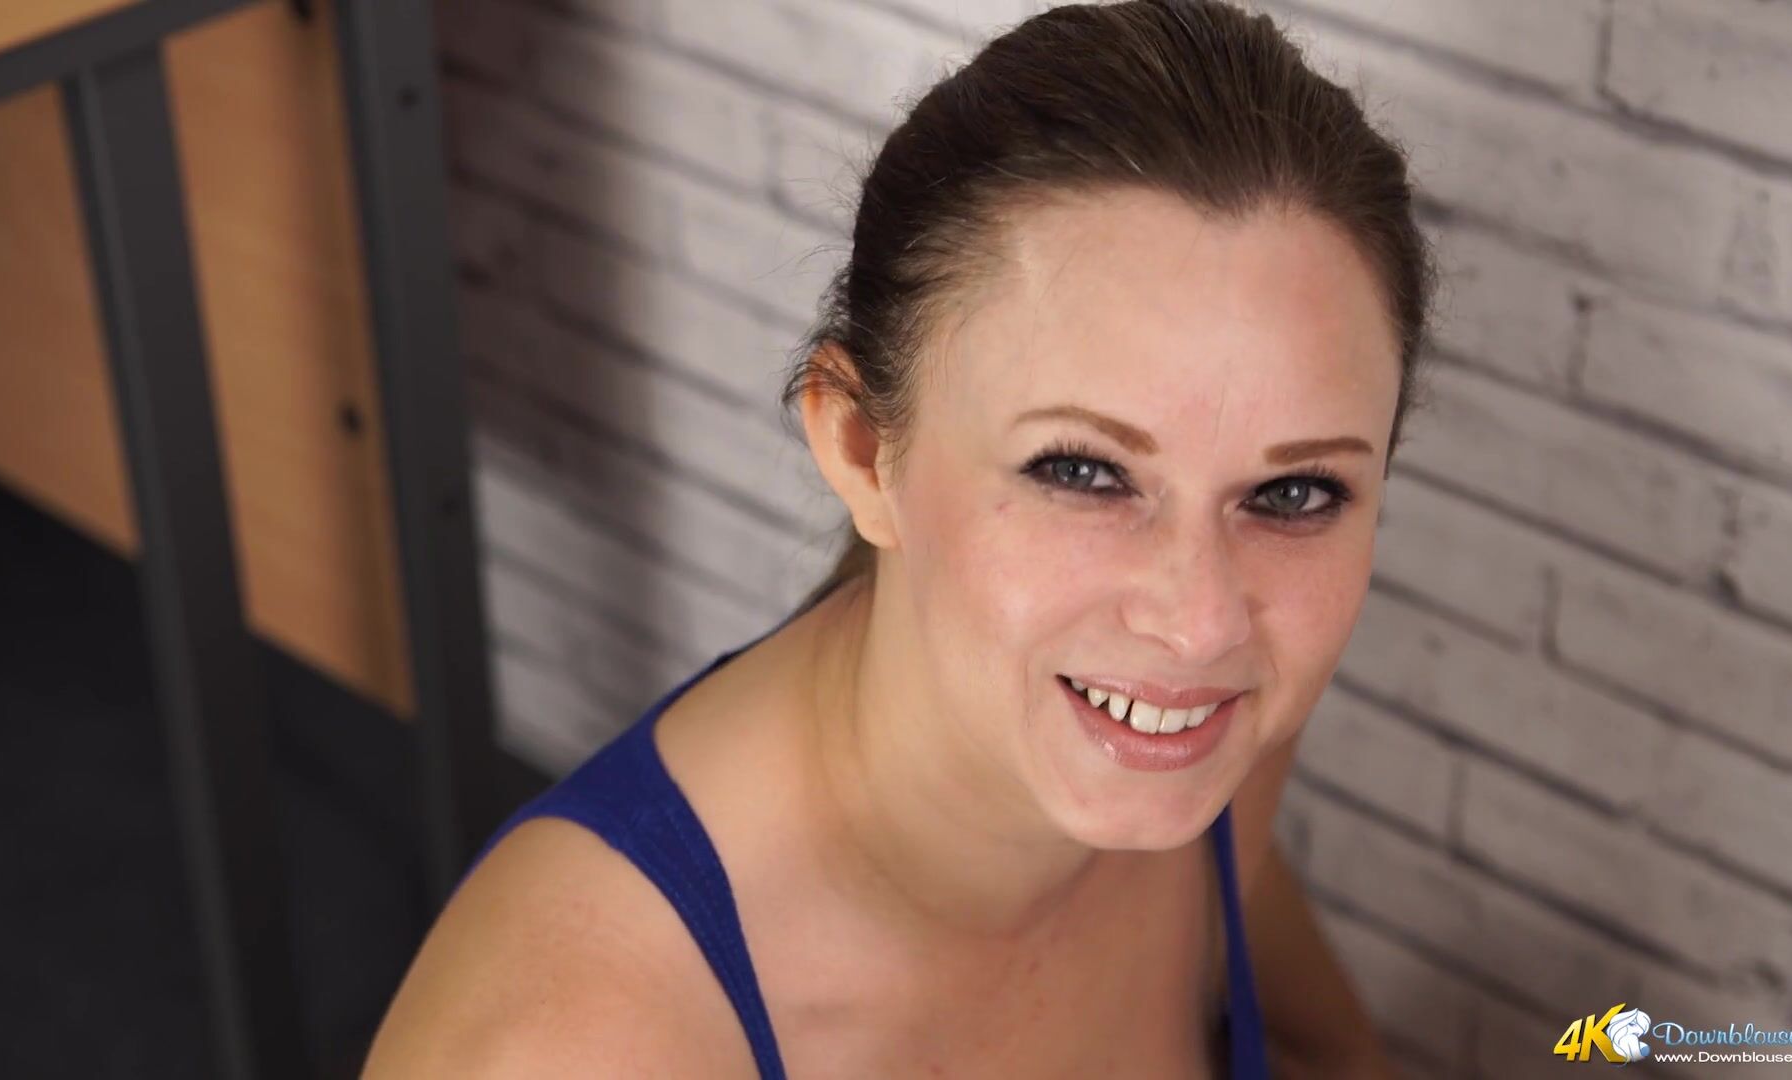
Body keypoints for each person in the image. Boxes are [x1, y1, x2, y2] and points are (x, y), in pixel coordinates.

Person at [365, 0, 1433, 1074]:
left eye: (1294, 492)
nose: (1199, 622)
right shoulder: (572, 1047)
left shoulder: (1197, 738)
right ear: (864, 447)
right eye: (1081, 471)